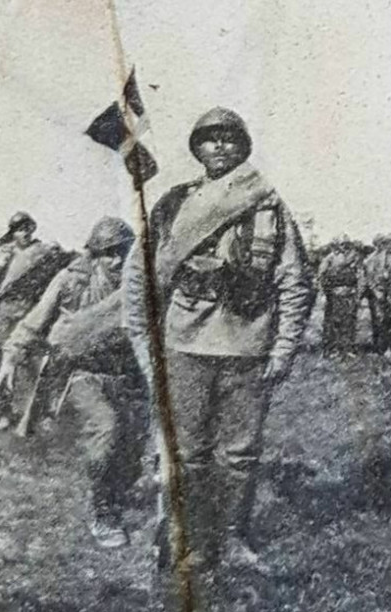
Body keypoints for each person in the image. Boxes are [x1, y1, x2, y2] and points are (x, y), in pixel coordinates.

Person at [124, 107, 313, 570]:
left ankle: (233, 538)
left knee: (240, 453)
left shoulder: (266, 203)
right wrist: (145, 345)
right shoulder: (173, 205)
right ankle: (192, 539)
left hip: (247, 348)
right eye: (210, 139)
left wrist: (283, 346)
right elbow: (138, 277)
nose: (221, 146)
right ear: (197, 149)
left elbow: (294, 280)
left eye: (230, 138)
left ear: (243, 145)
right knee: (188, 453)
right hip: (185, 346)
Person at [0, 217, 147, 549]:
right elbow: (35, 320)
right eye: (108, 253)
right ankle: (102, 512)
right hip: (80, 373)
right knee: (105, 428)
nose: (117, 260)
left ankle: (114, 489)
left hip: (128, 374)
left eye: (123, 251)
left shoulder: (139, 284)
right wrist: (10, 357)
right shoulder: (72, 281)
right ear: (93, 254)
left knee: (133, 446)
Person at [0, 211, 66, 428]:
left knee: (27, 360)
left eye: (28, 228)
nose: (25, 233)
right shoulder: (3, 253)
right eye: (20, 229)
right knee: (4, 357)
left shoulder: (42, 251)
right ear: (13, 233)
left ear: (33, 228)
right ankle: (3, 411)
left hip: (29, 308)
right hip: (4, 309)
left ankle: (25, 411)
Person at [317, 236, 363, 355]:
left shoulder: (355, 257)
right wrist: (324, 292)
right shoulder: (330, 258)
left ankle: (348, 347)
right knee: (334, 322)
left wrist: (359, 292)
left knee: (350, 321)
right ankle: (333, 348)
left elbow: (360, 275)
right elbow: (321, 275)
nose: (345, 247)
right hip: (334, 294)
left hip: (350, 293)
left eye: (347, 244)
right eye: (342, 244)